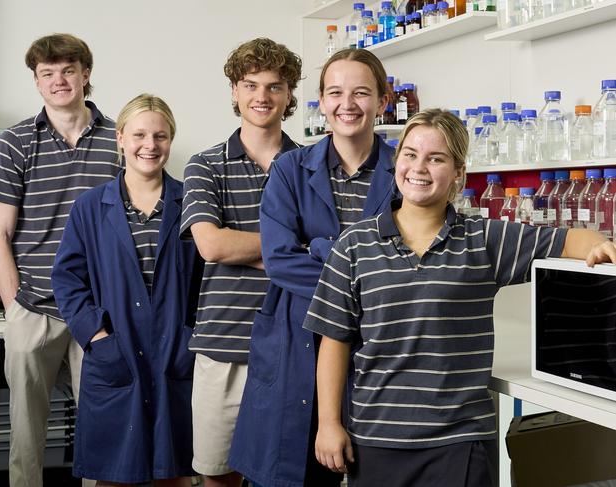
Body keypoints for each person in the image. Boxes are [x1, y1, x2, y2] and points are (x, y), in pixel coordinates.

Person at [303, 108, 616, 487]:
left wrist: (602, 244)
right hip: (377, 438)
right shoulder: (355, 245)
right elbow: (334, 340)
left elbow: (571, 239)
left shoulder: (485, 239)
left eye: (436, 158)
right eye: (410, 154)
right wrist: (329, 424)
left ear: (457, 173)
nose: (419, 167)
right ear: (396, 161)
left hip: (460, 442)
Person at [229, 48, 397, 487]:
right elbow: (281, 260)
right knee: (291, 472)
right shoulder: (289, 169)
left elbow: (409, 259)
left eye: (361, 92)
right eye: (335, 92)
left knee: (376, 470)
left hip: (380, 343)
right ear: (320, 102)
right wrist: (359, 277)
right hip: (296, 339)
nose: (347, 104)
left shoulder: (405, 171)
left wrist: (319, 247)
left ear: (383, 101)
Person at [0, 33, 119, 487]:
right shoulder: (15, 143)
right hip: (34, 307)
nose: (59, 80)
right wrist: (14, 304)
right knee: (25, 436)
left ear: (86, 74)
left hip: (99, 311)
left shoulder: (119, 140)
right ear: (37, 82)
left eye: (68, 70)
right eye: (47, 73)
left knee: (102, 430)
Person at [52, 94, 202, 486]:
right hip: (115, 352)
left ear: (171, 140)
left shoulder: (193, 203)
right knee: (115, 473)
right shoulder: (89, 207)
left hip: (177, 354)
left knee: (176, 472)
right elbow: (68, 281)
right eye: (139, 134)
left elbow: (212, 279)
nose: (149, 145)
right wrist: (98, 339)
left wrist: (194, 336)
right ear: (120, 138)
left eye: (160, 135)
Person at [180, 38, 302, 487]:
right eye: (250, 85)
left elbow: (332, 250)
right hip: (223, 341)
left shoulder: (312, 165)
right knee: (218, 476)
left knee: (287, 476)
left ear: (290, 94)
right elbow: (211, 246)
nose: (262, 97)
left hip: (297, 342)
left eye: (274, 86)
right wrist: (289, 251)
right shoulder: (205, 166)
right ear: (234, 90)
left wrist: (247, 248)